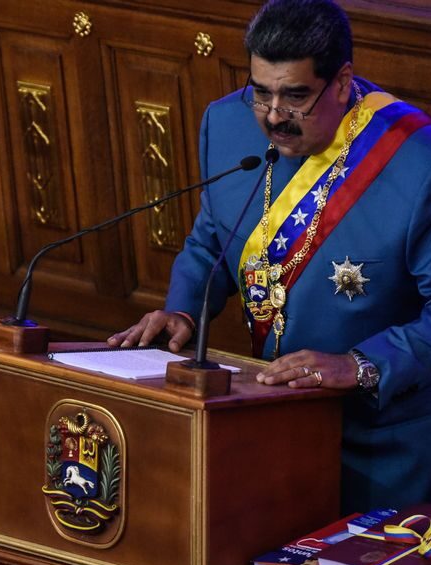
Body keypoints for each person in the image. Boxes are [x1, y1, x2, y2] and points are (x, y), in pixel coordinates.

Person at [108, 0, 431, 513]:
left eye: (295, 96)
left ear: (343, 82)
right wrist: (184, 309)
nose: (274, 116)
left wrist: (362, 365)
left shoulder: (417, 163)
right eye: (261, 92)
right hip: (268, 422)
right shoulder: (227, 124)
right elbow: (212, 239)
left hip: (379, 445)